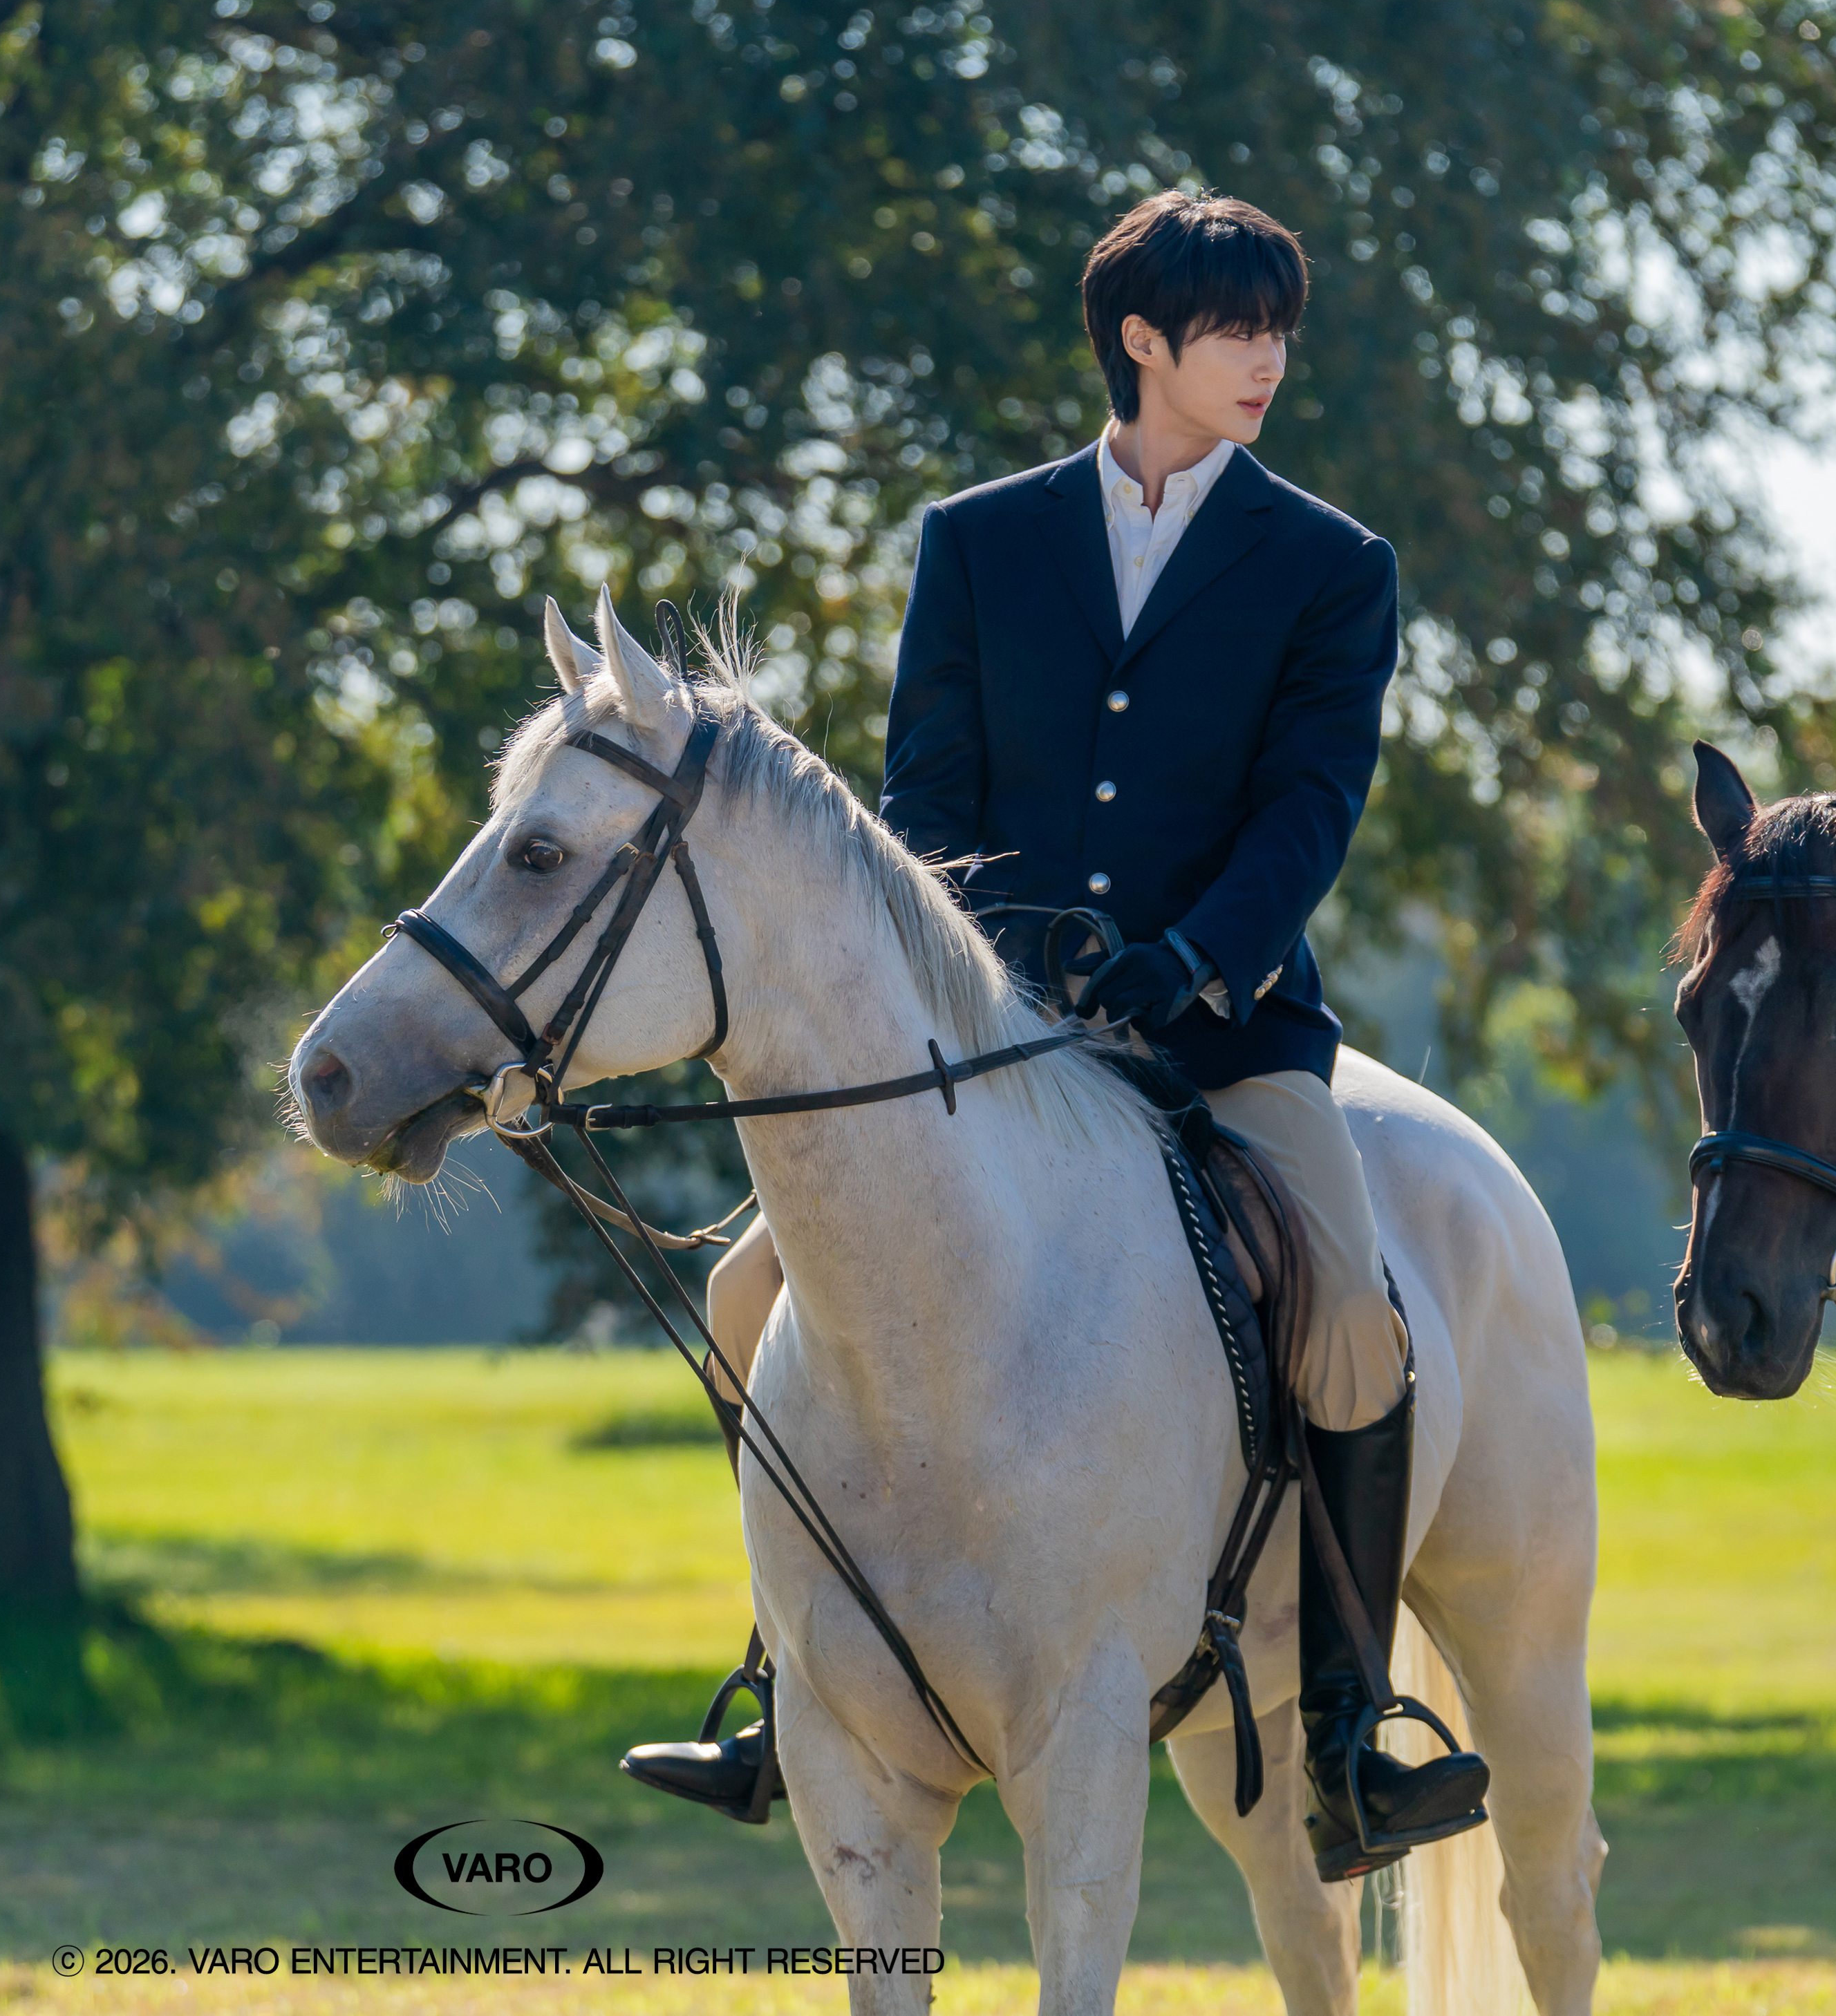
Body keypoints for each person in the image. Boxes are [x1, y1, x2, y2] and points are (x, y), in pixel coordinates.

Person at [619, 190, 1489, 1883]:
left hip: (1221, 1032)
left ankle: (1353, 1730)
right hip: (987, 1037)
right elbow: (921, 801)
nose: (1267, 360)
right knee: (743, 1291)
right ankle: (786, 1674)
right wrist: (995, 977)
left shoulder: (1331, 566)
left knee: (1354, 1332)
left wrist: (1191, 961)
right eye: (1235, 329)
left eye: (1279, 330)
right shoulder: (977, 538)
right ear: (1141, 341)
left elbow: (1312, 811)